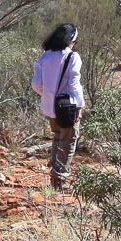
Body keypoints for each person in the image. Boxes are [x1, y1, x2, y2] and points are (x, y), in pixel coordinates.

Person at [31, 23, 84, 193]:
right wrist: (79, 106)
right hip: (68, 108)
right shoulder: (72, 57)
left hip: (50, 108)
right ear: (71, 40)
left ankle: (55, 176)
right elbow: (74, 83)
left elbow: (36, 85)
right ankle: (60, 179)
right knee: (68, 141)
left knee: (57, 138)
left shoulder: (44, 57)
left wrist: (49, 95)